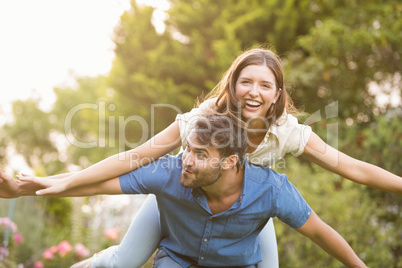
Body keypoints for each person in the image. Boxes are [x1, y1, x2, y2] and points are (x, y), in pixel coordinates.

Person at [1, 47, 401, 267]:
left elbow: (352, 168)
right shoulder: (200, 121)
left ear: (277, 94)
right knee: (124, 262)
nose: (254, 91)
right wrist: (62, 181)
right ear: (233, 83)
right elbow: (137, 157)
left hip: (246, 211)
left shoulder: (287, 133)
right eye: (246, 81)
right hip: (180, 202)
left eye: (265, 84)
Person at [4, 115, 367, 267]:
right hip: (176, 254)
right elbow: (99, 183)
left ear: (230, 162)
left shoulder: (271, 190)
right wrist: (24, 188)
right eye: (187, 149)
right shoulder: (171, 171)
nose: (186, 160)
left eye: (200, 154)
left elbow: (320, 231)